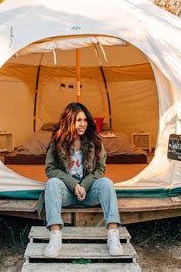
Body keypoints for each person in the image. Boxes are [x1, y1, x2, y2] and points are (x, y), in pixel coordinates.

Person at [42, 102, 123, 257]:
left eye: (85, 120)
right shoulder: (57, 142)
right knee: (52, 183)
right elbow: (50, 169)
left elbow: (101, 168)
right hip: (66, 194)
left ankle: (113, 235)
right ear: (69, 120)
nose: (83, 124)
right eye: (78, 120)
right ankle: (55, 237)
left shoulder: (94, 141)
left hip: (88, 193)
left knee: (107, 183)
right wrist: (73, 185)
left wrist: (84, 186)